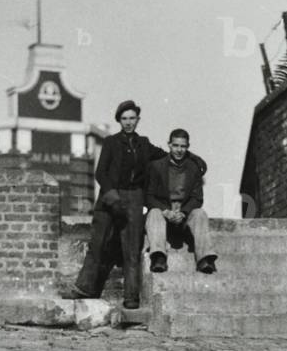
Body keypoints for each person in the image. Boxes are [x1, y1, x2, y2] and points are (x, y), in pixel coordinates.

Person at [64, 101, 205, 309]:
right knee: (98, 244)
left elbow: (169, 156)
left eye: (132, 118)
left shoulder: (144, 144)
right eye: (124, 119)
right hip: (109, 198)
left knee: (131, 248)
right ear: (119, 120)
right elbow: (101, 173)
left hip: (134, 199)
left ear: (137, 120)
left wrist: (190, 155)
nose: (129, 122)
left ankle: (131, 297)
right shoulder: (111, 142)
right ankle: (83, 288)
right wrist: (113, 198)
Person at [145, 128, 217, 274]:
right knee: (154, 213)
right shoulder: (156, 167)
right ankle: (158, 257)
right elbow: (149, 196)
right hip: (165, 213)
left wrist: (183, 213)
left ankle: (204, 259)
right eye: (176, 145)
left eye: (183, 146)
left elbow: (198, 198)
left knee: (200, 213)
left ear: (188, 147)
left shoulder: (193, 168)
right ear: (169, 145)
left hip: (183, 214)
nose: (179, 150)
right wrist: (166, 211)